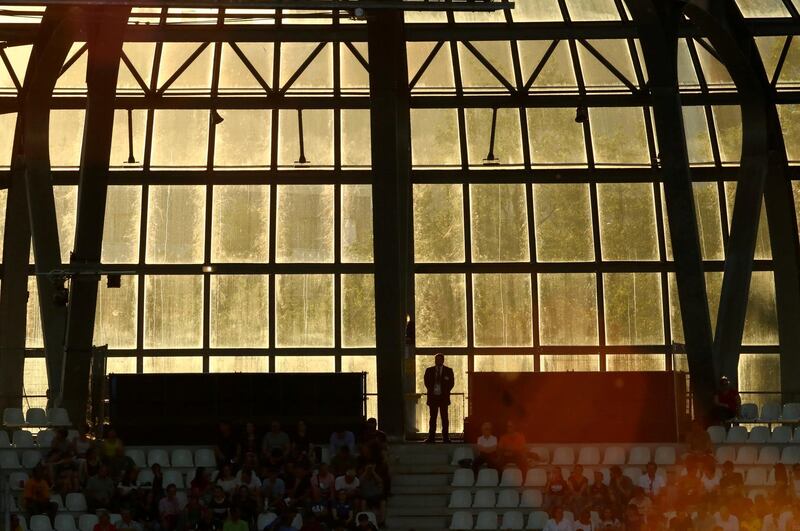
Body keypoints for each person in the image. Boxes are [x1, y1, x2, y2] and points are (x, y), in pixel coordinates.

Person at [423, 353, 454, 443]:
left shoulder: (448, 370)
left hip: (443, 398)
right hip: (433, 398)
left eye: (439, 359)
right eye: (436, 359)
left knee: (444, 418)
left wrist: (444, 391)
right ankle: (431, 437)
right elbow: (426, 382)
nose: (438, 361)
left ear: (443, 360)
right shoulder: (429, 370)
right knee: (433, 418)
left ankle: (445, 438)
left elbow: (451, 383)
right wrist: (432, 390)